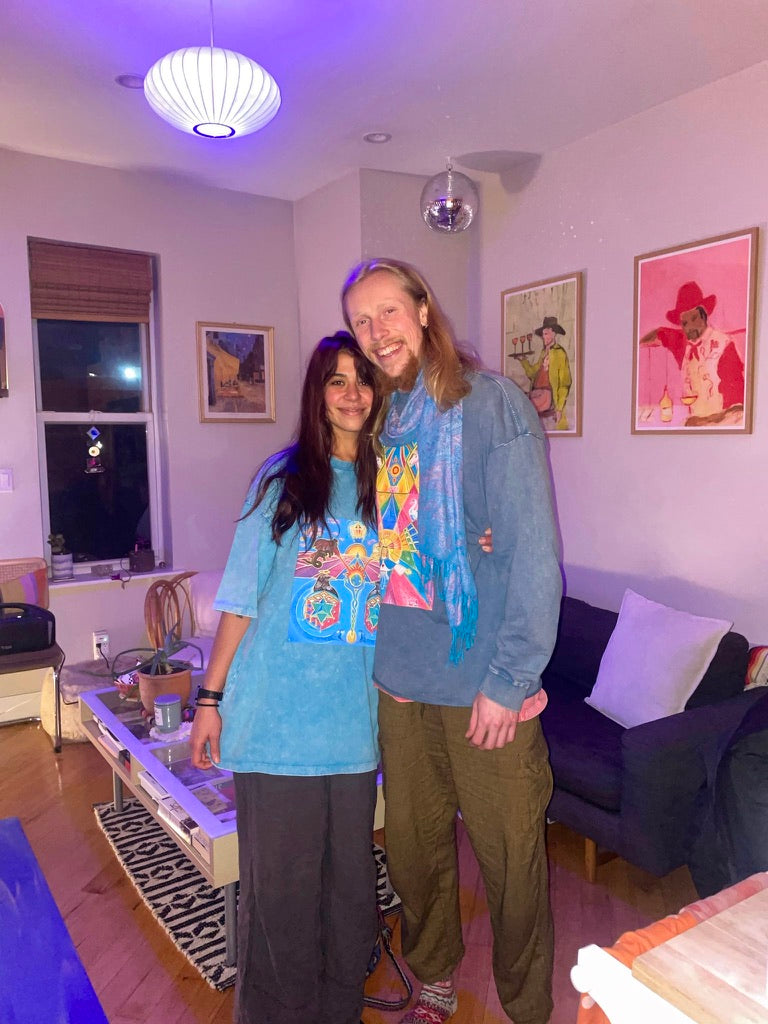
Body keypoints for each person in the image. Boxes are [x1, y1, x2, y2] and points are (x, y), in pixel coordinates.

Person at [342, 259, 562, 1024]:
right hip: (400, 681)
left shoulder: (492, 405)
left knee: (511, 863)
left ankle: (526, 1007)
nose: (376, 332)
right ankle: (433, 976)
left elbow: (533, 553)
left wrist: (510, 679)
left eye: (388, 311)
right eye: (361, 321)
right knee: (413, 852)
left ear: (424, 310)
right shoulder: (379, 422)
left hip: (482, 688)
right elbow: (377, 545)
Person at [189, 332, 383, 1024]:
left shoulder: (391, 486)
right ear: (317, 394)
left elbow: (422, 575)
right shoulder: (283, 481)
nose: (352, 393)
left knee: (350, 895)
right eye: (337, 380)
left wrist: (477, 539)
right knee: (281, 898)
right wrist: (209, 698)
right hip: (276, 726)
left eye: (363, 379)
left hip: (353, 730)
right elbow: (241, 595)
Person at [639, 280, 745, 426]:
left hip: (722, 425)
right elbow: (658, 334)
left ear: (704, 316)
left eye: (694, 318)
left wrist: (704, 421)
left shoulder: (725, 346)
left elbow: (738, 409)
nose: (690, 327)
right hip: (694, 424)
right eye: (685, 323)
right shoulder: (682, 343)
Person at [521, 315, 572, 430]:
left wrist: (559, 408)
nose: (544, 337)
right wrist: (523, 361)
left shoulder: (560, 353)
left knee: (524, 407)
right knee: (518, 399)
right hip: (536, 392)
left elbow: (564, 384)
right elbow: (532, 373)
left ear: (554, 334)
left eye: (546, 334)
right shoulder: (543, 353)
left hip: (547, 395)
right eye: (543, 335)